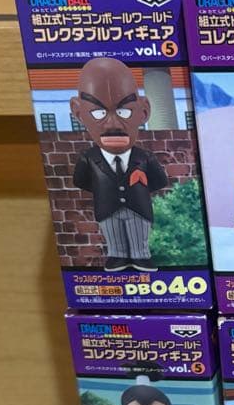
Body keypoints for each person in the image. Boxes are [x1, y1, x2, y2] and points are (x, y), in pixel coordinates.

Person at [70, 58, 168, 272]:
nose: (112, 124)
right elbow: (81, 180)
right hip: (107, 208)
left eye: (124, 112)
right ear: (78, 113)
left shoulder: (144, 157)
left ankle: (141, 256)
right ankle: (117, 256)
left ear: (144, 111)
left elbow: (159, 181)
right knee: (113, 236)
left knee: (138, 235)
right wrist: (104, 188)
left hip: (138, 208)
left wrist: (140, 187)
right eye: (98, 113)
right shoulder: (89, 158)